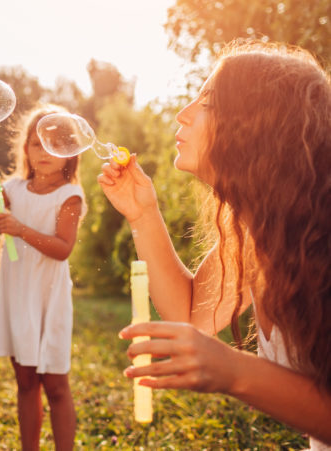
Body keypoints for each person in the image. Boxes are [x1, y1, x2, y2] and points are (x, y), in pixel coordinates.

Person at [99, 40, 331, 449]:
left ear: (258, 125)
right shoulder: (260, 229)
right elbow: (191, 316)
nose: (182, 114)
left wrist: (235, 371)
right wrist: (143, 214)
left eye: (206, 102)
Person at [0, 104, 85, 450]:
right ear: (25, 150)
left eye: (53, 144)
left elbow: (63, 248)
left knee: (56, 383)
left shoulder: (70, 196)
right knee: (25, 381)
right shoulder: (13, 189)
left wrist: (20, 229)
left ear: (69, 153)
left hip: (48, 297)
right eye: (36, 143)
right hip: (18, 294)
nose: (44, 151)